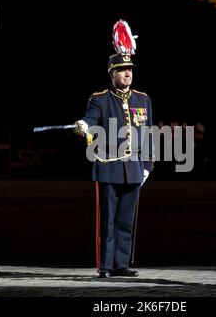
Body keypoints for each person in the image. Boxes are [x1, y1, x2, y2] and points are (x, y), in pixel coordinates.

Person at [74, 53, 154, 278]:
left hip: (135, 168)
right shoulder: (100, 99)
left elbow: (148, 133)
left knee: (127, 220)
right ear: (111, 73)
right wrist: (84, 125)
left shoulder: (143, 99)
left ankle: (121, 264)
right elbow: (92, 120)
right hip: (108, 166)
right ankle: (106, 266)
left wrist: (147, 165)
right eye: (122, 69)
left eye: (130, 69)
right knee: (107, 220)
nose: (128, 73)